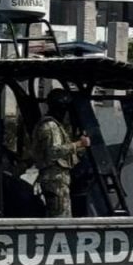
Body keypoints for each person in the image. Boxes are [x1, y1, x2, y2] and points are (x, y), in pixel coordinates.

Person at [30, 88, 89, 217]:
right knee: (60, 217)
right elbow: (54, 151)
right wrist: (79, 144)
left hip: (57, 178)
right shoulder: (51, 126)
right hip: (54, 179)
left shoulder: (55, 125)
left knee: (63, 215)